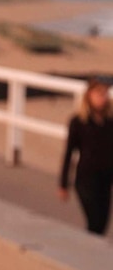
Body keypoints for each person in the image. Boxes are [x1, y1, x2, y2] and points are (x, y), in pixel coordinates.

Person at [58, 77, 113, 235]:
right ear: (89, 96)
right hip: (86, 179)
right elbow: (69, 153)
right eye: (99, 94)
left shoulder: (110, 122)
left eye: (105, 94)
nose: (102, 98)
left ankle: (91, 253)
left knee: (102, 224)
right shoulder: (78, 122)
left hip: (106, 179)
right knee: (94, 221)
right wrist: (63, 183)